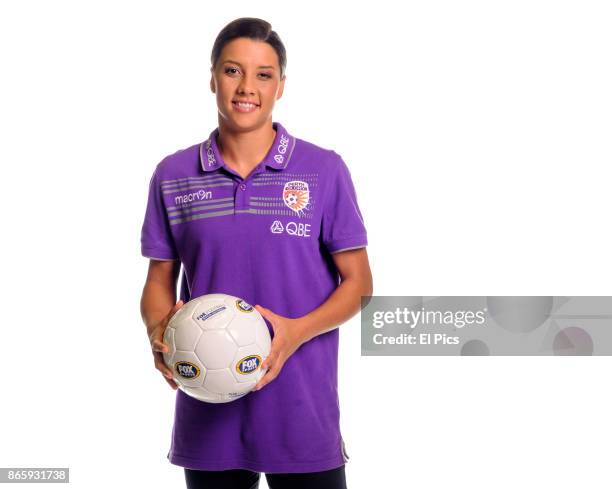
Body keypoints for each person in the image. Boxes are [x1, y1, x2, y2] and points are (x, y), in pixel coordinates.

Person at [140, 17, 373, 489]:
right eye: (232, 71)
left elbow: (360, 284)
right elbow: (159, 280)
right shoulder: (173, 174)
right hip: (207, 405)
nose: (247, 87)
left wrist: (294, 333)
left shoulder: (322, 170)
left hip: (301, 412)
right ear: (212, 77)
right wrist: (158, 333)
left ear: (281, 85)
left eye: (263, 74)